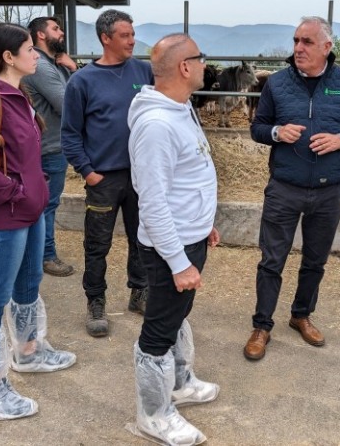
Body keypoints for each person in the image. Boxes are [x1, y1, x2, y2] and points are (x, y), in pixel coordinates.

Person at [0, 23, 76, 420]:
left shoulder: (17, 93)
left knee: (28, 286)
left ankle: (29, 351)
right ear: (8, 57)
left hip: (30, 209)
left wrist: (31, 194)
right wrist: (16, 193)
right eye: (29, 48)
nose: (36, 55)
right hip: (6, 216)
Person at [244, 16, 340, 361]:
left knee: (315, 260)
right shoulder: (277, 83)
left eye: (307, 42)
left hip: (329, 189)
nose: (298, 48)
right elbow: (258, 127)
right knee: (272, 260)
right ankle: (262, 325)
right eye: (296, 41)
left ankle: (301, 315)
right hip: (284, 186)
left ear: (327, 48)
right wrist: (276, 133)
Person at [126, 33, 220, 446]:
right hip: (170, 248)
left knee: (178, 315)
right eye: (200, 59)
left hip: (189, 236)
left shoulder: (180, 110)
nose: (204, 65)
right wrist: (179, 262)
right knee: (158, 331)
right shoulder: (157, 124)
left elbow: (189, 178)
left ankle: (180, 385)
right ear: (184, 67)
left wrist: (204, 223)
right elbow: (153, 201)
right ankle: (154, 414)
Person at [61, 9, 153, 337]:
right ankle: (96, 301)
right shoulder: (82, 81)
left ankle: (139, 292)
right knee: (97, 243)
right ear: (105, 38)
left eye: (132, 34)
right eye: (125, 36)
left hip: (141, 175)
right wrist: (87, 171)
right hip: (103, 178)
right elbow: (70, 133)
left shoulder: (144, 71)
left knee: (143, 239)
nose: (132, 41)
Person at [22, 16, 75, 278]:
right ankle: (46, 255)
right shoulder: (41, 67)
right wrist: (75, 70)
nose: (61, 32)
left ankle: (36, 252)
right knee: (47, 204)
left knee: (43, 203)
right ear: (41, 35)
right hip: (50, 147)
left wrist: (68, 67)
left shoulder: (50, 64)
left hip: (47, 144)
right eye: (56, 29)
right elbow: (67, 103)